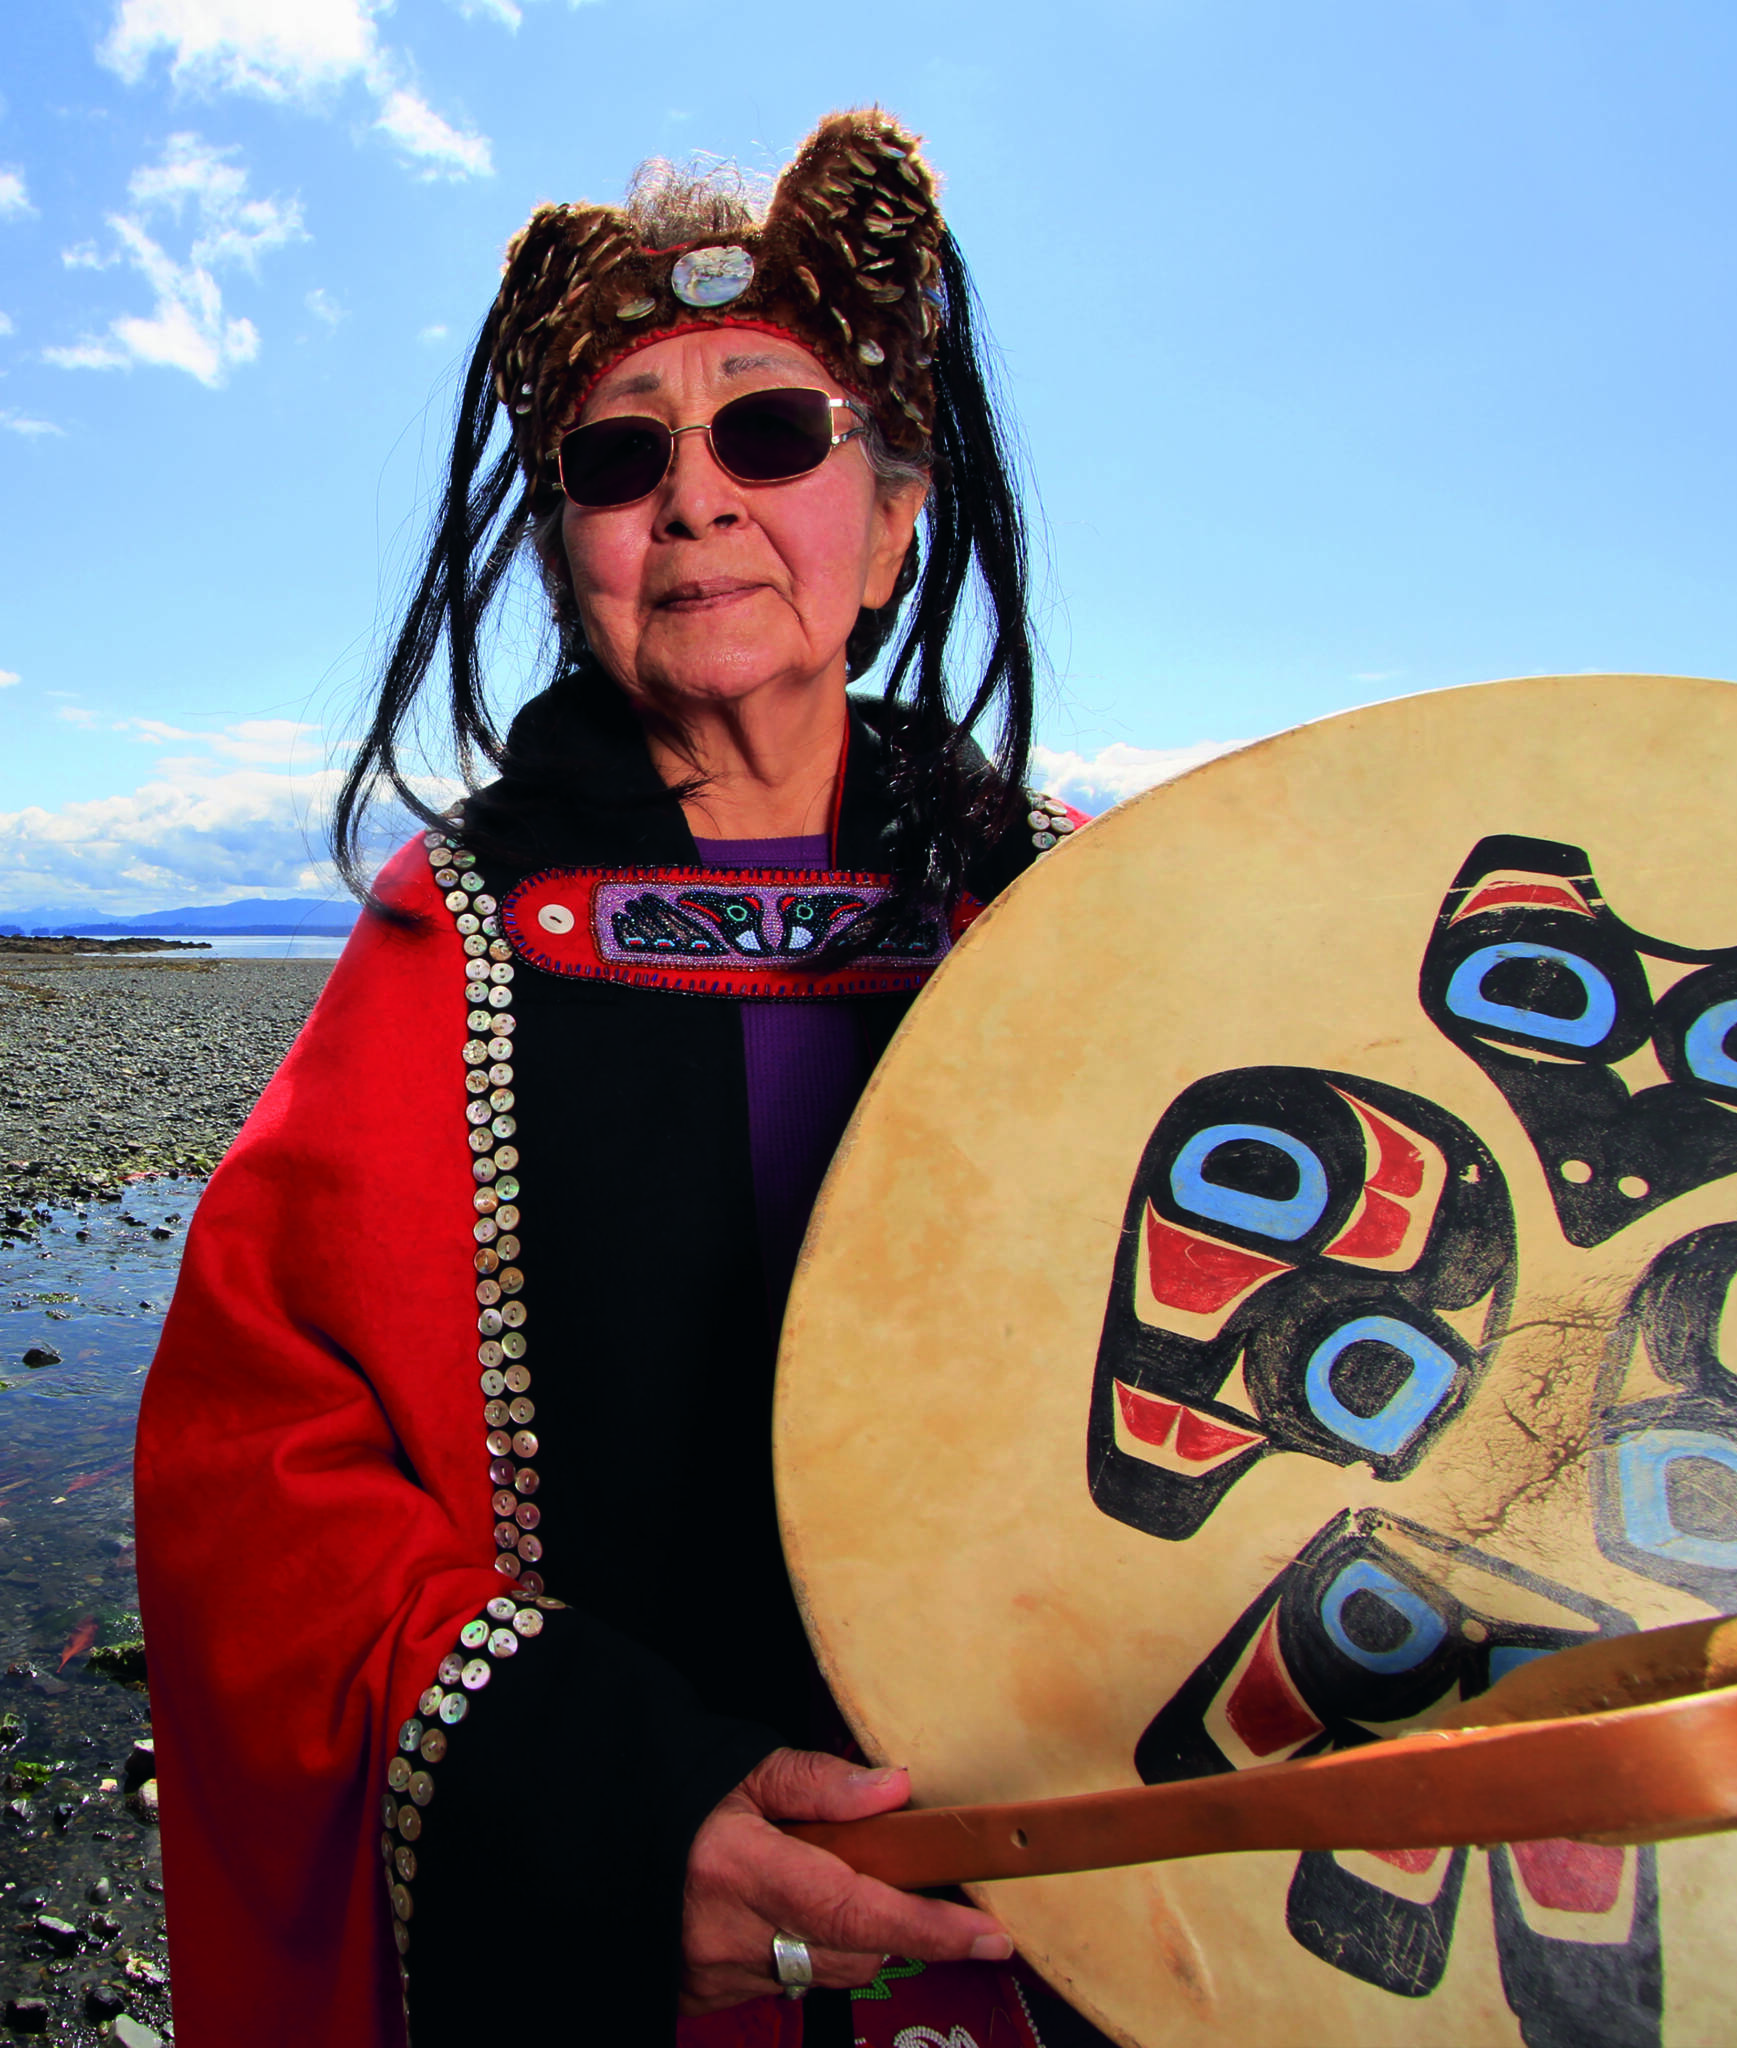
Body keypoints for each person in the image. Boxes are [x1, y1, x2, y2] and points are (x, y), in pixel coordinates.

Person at [134, 109, 1097, 2048]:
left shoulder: (1079, 918)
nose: (695, 501)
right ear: (565, 544)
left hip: (1064, 1905)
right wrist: (592, 1800)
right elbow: (253, 1470)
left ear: (892, 521)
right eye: (618, 457)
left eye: (772, 432)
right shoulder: (459, 942)